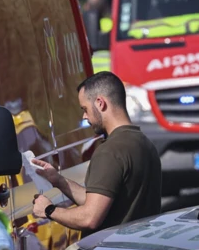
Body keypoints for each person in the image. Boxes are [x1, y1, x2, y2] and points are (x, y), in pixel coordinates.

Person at [30, 71, 161, 234]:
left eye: (85, 108)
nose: (85, 116)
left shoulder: (110, 151)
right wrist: (59, 181)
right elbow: (98, 201)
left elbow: (90, 218)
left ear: (100, 103)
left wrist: (49, 210)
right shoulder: (144, 143)